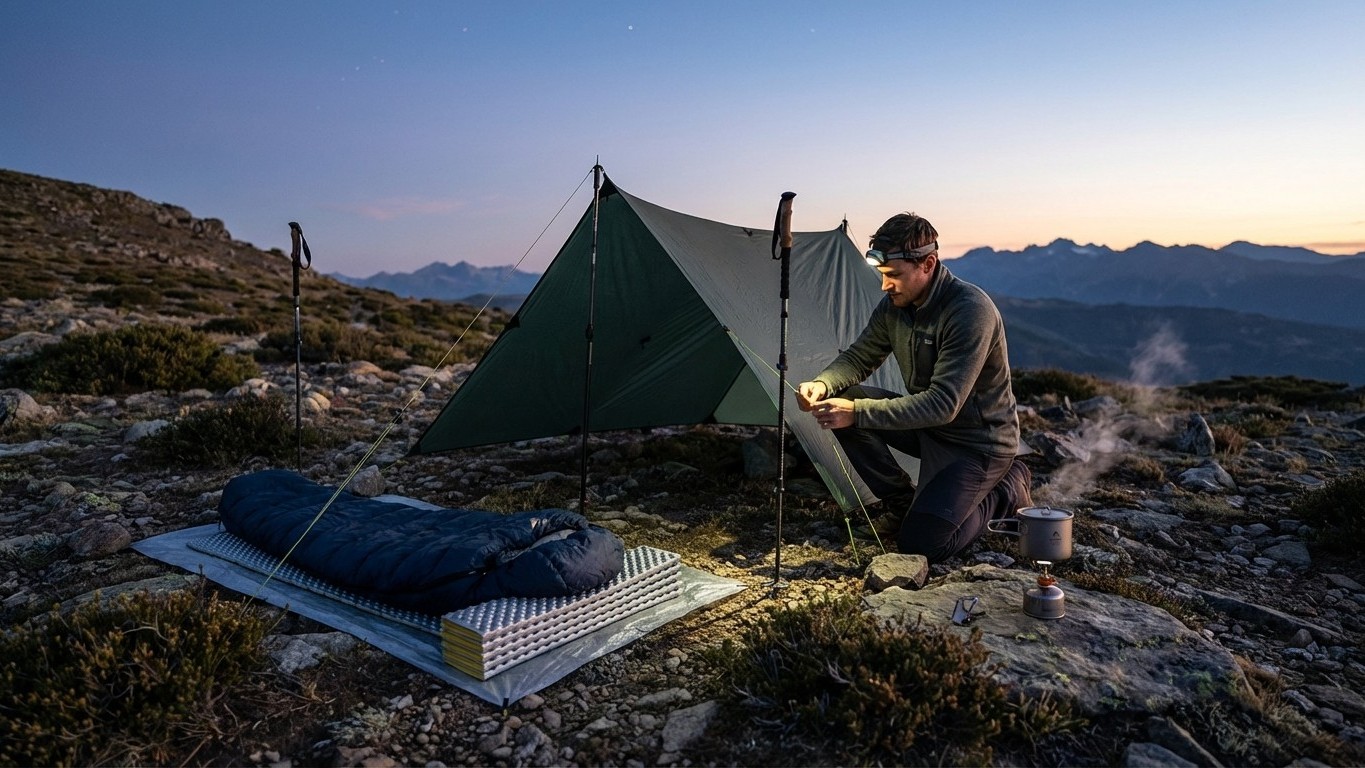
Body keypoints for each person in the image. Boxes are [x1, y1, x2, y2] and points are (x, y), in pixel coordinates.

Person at [796, 212, 1032, 562]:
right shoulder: (896, 306)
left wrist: (858, 414)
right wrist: (821, 384)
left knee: (924, 544)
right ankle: (901, 502)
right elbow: (860, 357)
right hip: (930, 431)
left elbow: (942, 404)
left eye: (894, 276)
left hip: (977, 445)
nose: (885, 285)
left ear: (928, 264)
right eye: (882, 275)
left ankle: (1006, 489)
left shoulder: (969, 311)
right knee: (840, 401)